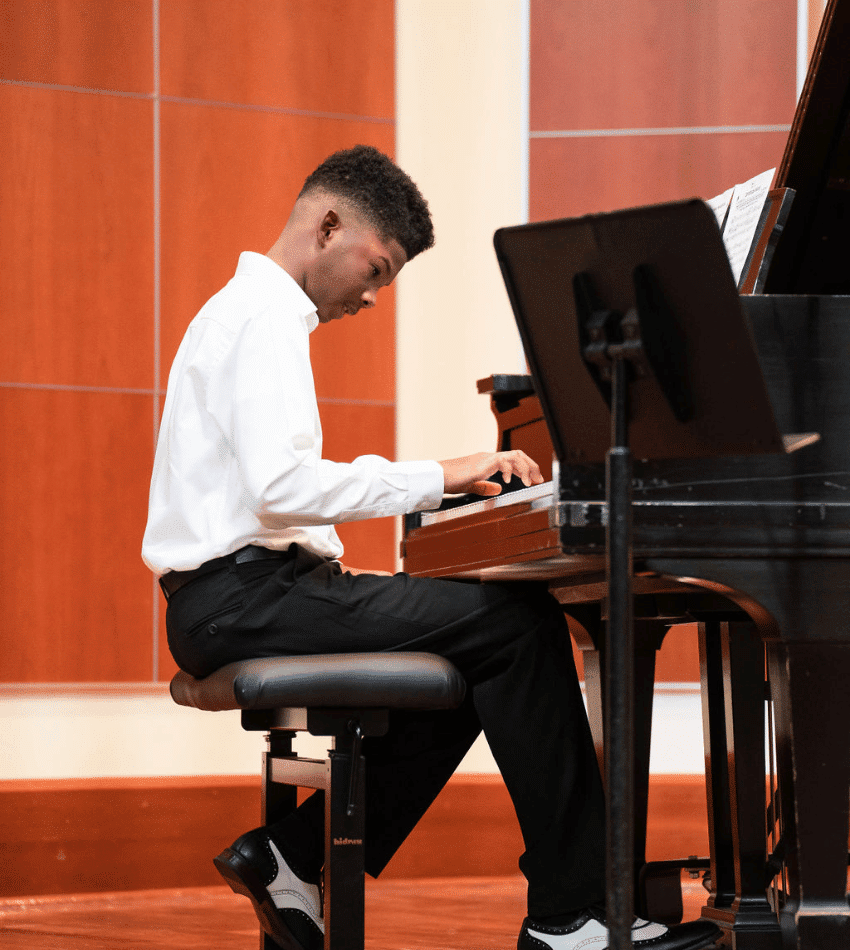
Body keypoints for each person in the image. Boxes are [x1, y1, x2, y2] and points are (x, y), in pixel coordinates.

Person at [142, 145, 719, 950]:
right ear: (328, 224)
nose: (375, 295)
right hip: (244, 597)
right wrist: (442, 475)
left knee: (471, 662)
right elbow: (283, 488)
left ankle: (292, 856)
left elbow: (273, 491)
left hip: (235, 596)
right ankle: (572, 916)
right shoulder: (265, 315)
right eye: (376, 269)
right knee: (515, 627)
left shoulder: (243, 311)